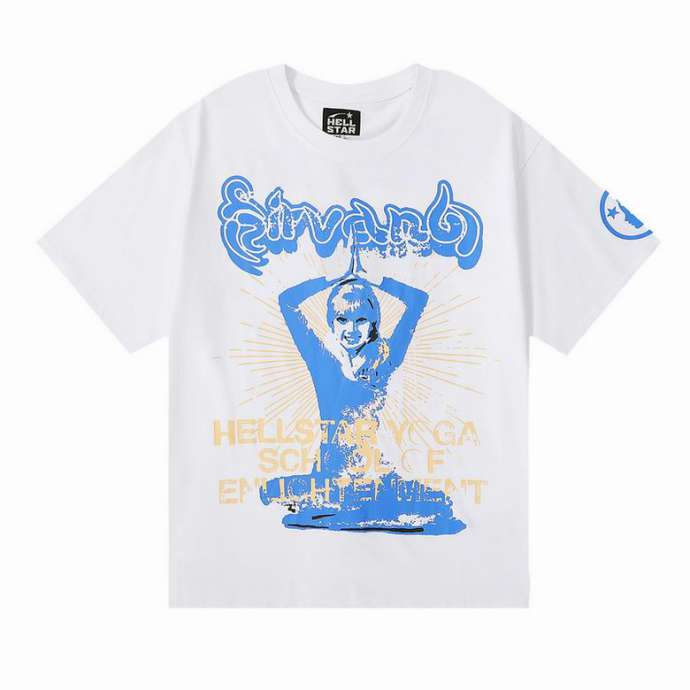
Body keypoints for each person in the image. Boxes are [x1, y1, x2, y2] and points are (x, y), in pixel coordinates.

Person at [260, 245, 464, 534]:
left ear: (373, 324)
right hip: (331, 478)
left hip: (372, 474)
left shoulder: (385, 361)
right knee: (283, 497)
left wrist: (374, 279)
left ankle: (334, 507)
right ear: (332, 323)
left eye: (360, 321)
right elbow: (288, 302)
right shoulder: (323, 363)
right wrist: (334, 277)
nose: (351, 329)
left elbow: (418, 300)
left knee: (441, 505)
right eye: (342, 320)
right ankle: (320, 504)